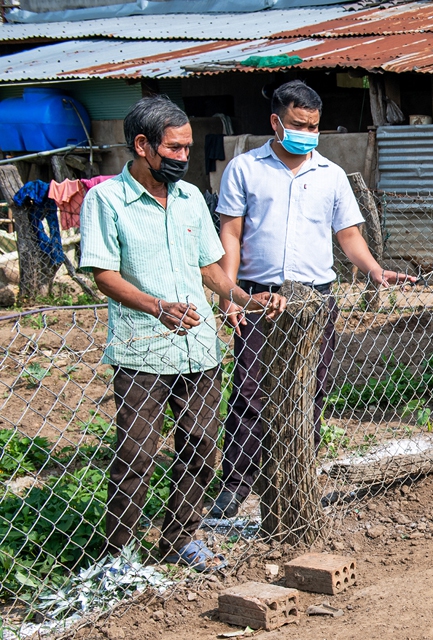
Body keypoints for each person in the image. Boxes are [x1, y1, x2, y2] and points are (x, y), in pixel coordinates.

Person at [79, 96, 286, 571]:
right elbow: (104, 276)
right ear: (143, 145)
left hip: (198, 350)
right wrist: (158, 307)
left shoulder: (192, 196)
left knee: (200, 451)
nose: (183, 157)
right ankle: (119, 557)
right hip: (143, 350)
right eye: (173, 148)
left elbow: (210, 268)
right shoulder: (106, 200)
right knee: (135, 456)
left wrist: (244, 298)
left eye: (187, 148)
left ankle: (177, 540)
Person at [210, 80, 416, 519]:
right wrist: (232, 295)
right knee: (250, 390)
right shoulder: (244, 169)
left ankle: (296, 467)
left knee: (313, 388)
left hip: (316, 298)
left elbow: (349, 236)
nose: (308, 132)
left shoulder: (331, 175)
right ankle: (236, 483)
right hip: (259, 297)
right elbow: (230, 232)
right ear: (276, 122)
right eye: (299, 124)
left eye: (314, 125)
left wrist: (374, 269)